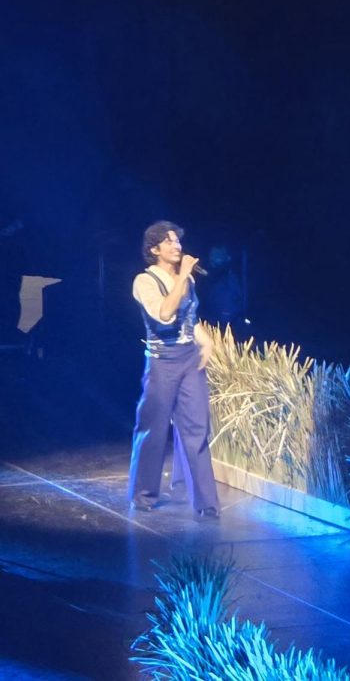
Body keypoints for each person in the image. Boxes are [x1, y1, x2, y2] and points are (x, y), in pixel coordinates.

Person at [129, 221, 220, 518]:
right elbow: (165, 315)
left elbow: (189, 318)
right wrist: (182, 276)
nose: (177, 246)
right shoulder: (144, 281)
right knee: (153, 428)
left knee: (196, 427)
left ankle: (206, 503)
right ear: (155, 249)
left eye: (177, 241)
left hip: (189, 359)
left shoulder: (187, 280)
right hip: (162, 361)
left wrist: (205, 341)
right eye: (168, 242)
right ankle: (144, 495)